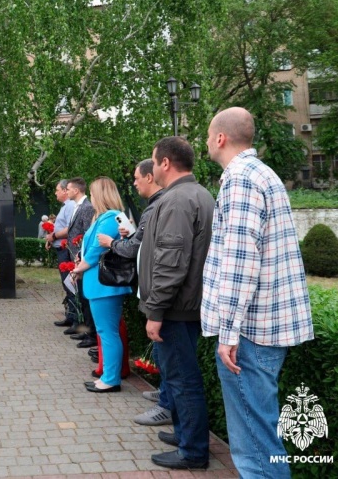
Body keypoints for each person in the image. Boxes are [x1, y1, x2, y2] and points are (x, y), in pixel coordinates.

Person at [202, 107, 314, 478]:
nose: (205, 142)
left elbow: (239, 263)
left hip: (250, 334)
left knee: (256, 449)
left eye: (207, 135)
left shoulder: (240, 179)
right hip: (262, 330)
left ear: (220, 138)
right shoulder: (261, 174)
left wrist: (228, 333)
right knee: (262, 436)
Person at [139, 136, 214, 470]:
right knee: (181, 376)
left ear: (165, 163)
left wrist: (155, 310)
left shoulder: (178, 200)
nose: (152, 169)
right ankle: (185, 435)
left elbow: (171, 262)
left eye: (154, 162)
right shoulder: (196, 194)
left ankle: (193, 450)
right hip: (186, 305)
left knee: (183, 380)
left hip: (176, 309)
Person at [98, 160, 171, 426]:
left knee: (171, 355)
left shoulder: (157, 206)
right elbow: (140, 244)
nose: (134, 182)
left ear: (150, 177)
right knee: (165, 353)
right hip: (150, 288)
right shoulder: (154, 206)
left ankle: (167, 403)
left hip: (158, 291)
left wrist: (113, 243)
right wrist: (129, 234)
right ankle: (166, 395)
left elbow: (132, 250)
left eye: (136, 177)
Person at [71, 177, 132, 392]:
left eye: (94, 193)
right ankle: (109, 375)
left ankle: (111, 379)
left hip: (104, 285)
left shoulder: (110, 217)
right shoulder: (107, 217)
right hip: (100, 284)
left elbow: (96, 250)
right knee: (107, 331)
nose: (92, 197)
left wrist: (79, 268)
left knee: (107, 332)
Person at [61, 177, 97, 346]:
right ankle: (85, 329)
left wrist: (81, 257)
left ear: (76, 190)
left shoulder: (87, 207)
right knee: (80, 296)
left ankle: (90, 334)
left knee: (85, 296)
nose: (65, 191)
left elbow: (86, 234)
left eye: (67, 189)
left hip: (82, 259)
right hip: (76, 257)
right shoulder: (77, 207)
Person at [45, 180, 77, 327]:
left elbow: (71, 228)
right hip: (61, 248)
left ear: (65, 190)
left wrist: (54, 236)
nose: (55, 193)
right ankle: (71, 316)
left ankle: (75, 318)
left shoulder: (70, 205)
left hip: (66, 250)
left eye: (57, 190)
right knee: (66, 284)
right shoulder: (65, 206)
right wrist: (52, 238)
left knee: (70, 283)